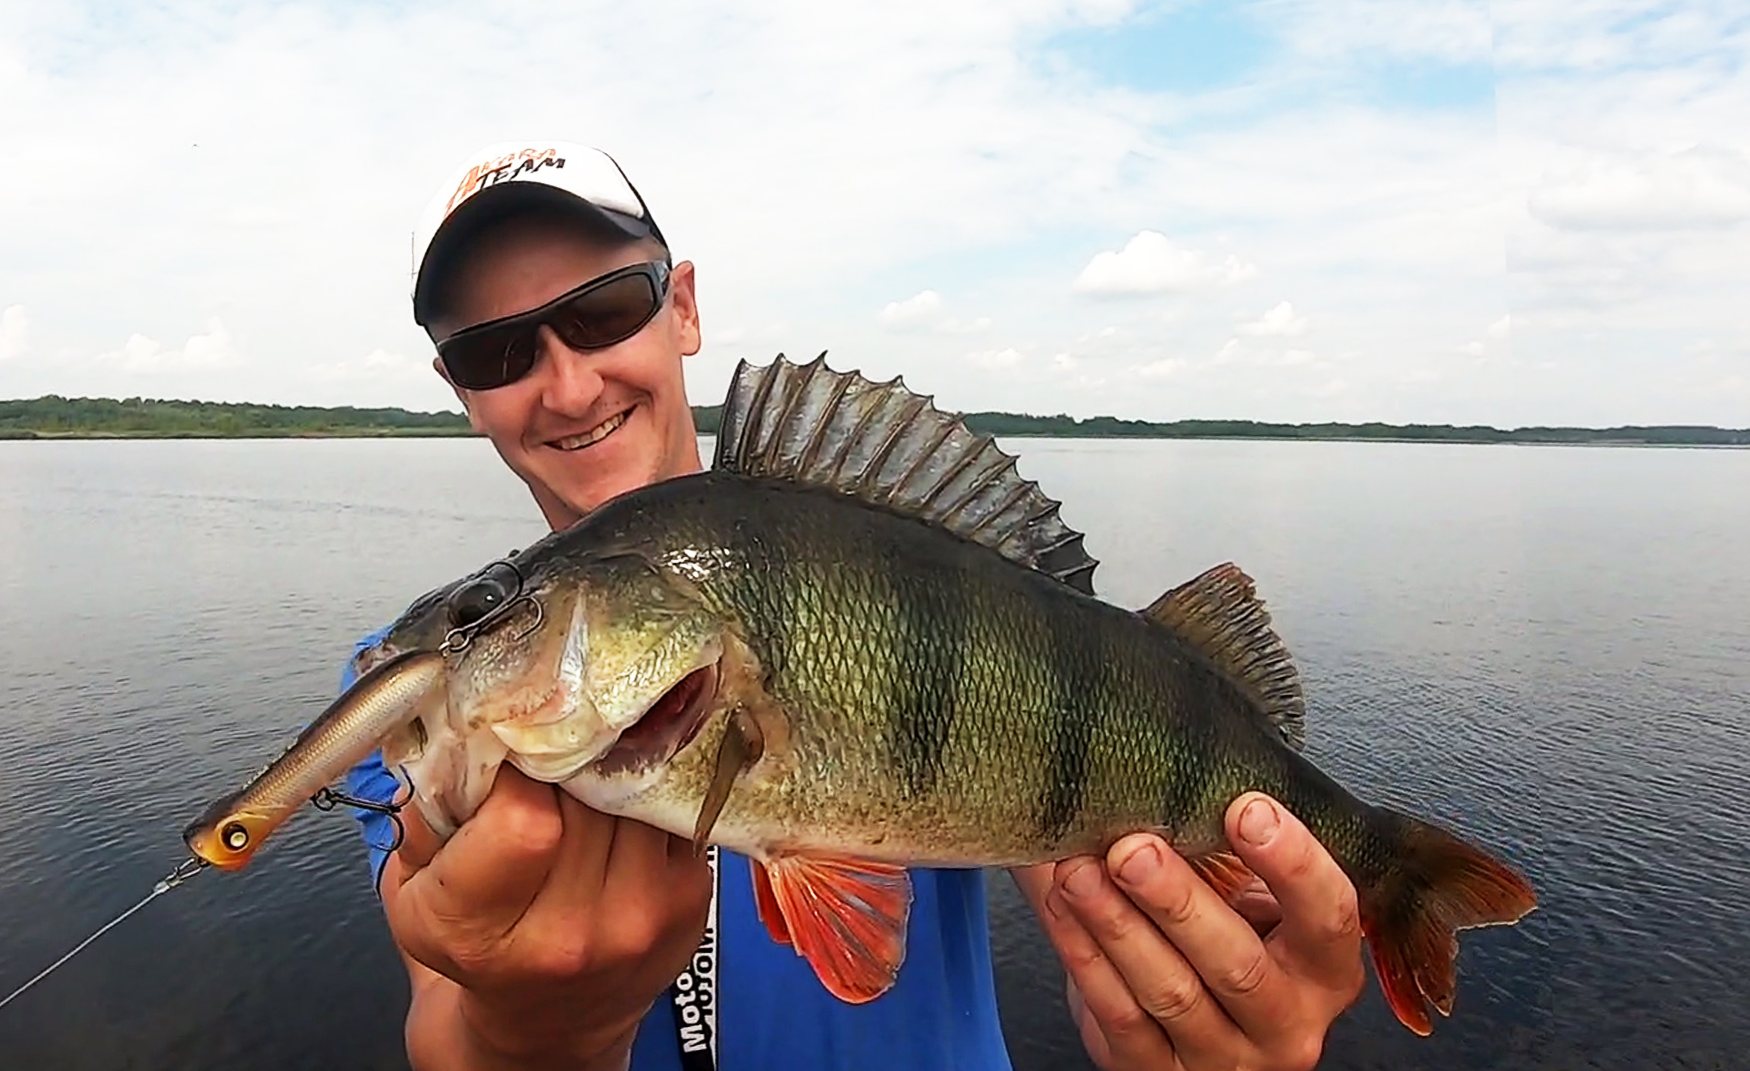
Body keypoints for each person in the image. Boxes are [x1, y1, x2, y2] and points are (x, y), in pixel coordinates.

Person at [338, 141, 1367, 1071]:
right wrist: (531, 1041)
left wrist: (1170, 1012)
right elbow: (439, 1007)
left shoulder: (869, 554)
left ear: (682, 306)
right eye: (497, 354)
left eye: (605, 310)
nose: (566, 387)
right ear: (457, 389)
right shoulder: (408, 681)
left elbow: (1077, 854)